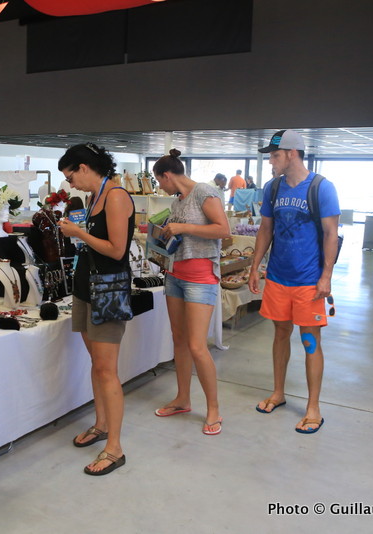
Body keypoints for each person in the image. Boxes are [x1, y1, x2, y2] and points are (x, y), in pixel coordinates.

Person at [248, 129, 340, 434]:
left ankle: (313, 407)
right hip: (277, 278)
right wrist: (254, 266)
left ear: (292, 154)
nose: (271, 162)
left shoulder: (321, 188)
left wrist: (326, 276)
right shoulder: (272, 188)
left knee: (310, 341)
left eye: (275, 156)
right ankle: (278, 392)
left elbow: (330, 234)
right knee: (279, 335)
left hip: (308, 282)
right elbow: (265, 229)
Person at [57, 143, 134, 476]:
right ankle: (101, 424)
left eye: (70, 175)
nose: (70, 183)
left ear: (85, 167)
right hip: (86, 287)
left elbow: (117, 251)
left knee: (107, 370)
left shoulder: (116, 196)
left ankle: (115, 449)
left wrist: (78, 233)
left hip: (108, 291)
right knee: (97, 364)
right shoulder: (93, 198)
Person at [151, 149, 231, 435]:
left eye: (159, 181)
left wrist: (182, 226)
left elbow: (223, 229)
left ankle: (213, 409)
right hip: (175, 275)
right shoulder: (178, 201)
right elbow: (181, 235)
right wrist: (163, 234)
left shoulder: (204, 192)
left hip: (200, 278)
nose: (160, 186)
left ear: (168, 175)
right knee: (180, 341)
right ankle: (182, 398)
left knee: (197, 346)